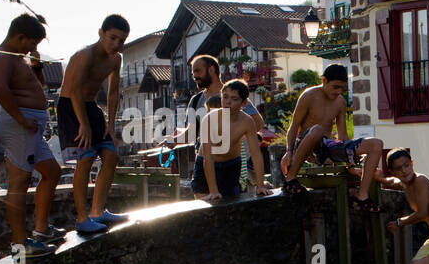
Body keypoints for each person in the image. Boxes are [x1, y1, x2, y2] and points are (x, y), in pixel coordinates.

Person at [0, 14, 64, 257]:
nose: (34, 48)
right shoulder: (2, 58)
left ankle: (41, 230)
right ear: (20, 37)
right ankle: (21, 247)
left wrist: (36, 63)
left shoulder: (18, 58)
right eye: (32, 43)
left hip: (29, 127)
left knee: (52, 172)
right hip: (19, 125)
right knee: (20, 182)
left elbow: (38, 85)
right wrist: (21, 119)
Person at [58, 14, 130, 234]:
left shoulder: (116, 59)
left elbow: (114, 91)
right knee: (86, 157)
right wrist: (83, 124)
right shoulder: (85, 56)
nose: (116, 44)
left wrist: (110, 123)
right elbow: (75, 91)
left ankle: (98, 212)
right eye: (112, 38)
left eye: (121, 41)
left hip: (91, 107)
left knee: (111, 154)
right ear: (101, 33)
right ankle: (82, 218)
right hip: (71, 106)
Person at [280, 64, 385, 211]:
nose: (338, 92)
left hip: (326, 148)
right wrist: (289, 151)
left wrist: (350, 164)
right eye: (335, 87)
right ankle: (290, 179)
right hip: (306, 146)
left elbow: (342, 136)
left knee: (376, 144)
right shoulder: (309, 95)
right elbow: (294, 126)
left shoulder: (340, 102)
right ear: (324, 80)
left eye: (342, 88)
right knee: (317, 130)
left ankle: (362, 196)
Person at [158, 54, 269, 187]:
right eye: (193, 72)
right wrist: (174, 140)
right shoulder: (195, 101)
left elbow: (258, 122)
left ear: (211, 70)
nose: (194, 76)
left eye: (198, 71)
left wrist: (231, 135)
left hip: (234, 162)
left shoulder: (234, 95)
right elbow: (191, 133)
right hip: (206, 162)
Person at [193, 80, 272, 201]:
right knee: (205, 206)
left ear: (244, 103)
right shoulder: (209, 119)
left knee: (230, 204)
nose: (228, 102)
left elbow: (256, 154)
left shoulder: (247, 121)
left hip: (231, 165)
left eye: (234, 99)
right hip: (206, 164)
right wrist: (213, 191)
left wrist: (260, 185)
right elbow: (208, 157)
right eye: (225, 97)